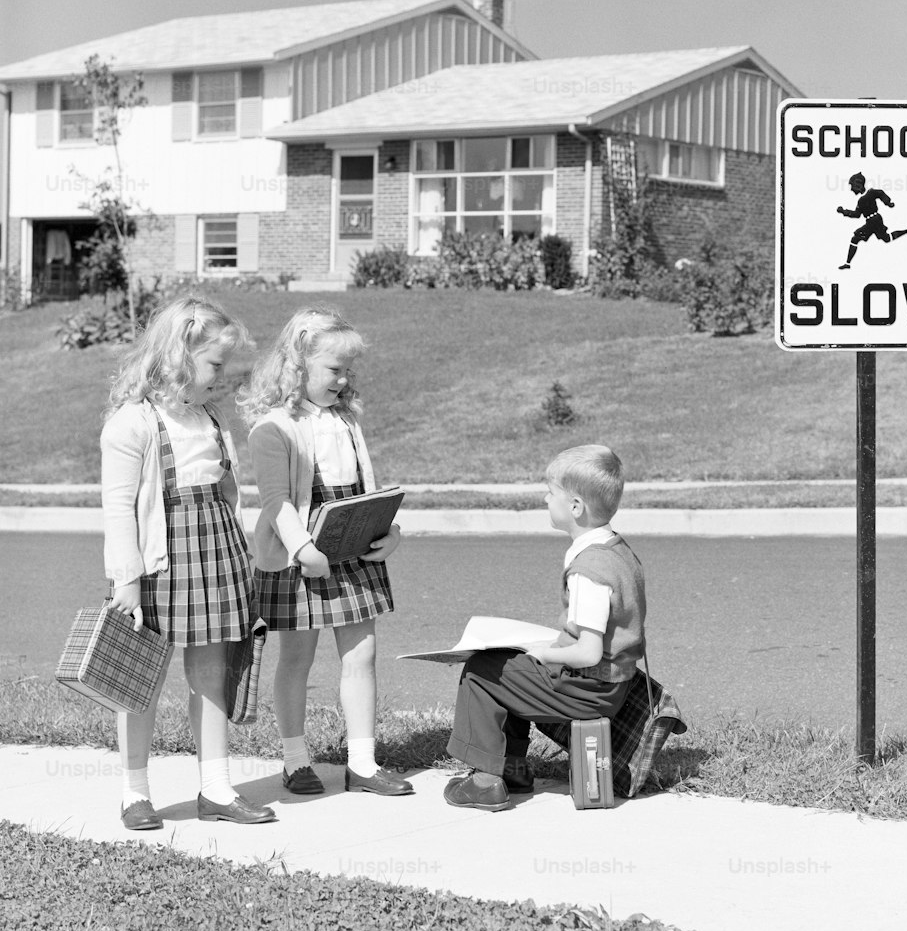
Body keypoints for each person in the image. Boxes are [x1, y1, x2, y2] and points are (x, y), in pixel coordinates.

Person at [102, 296, 276, 830]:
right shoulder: (131, 424)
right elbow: (119, 510)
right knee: (140, 677)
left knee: (211, 670)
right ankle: (135, 793)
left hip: (214, 548)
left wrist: (243, 554)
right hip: (158, 558)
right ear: (180, 355)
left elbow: (227, 494)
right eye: (215, 366)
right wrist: (126, 581)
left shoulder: (210, 418)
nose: (222, 378)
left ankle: (216, 789)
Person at [239, 308, 410, 798]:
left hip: (353, 548)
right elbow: (276, 503)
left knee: (363, 654)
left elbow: (366, 489)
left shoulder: (348, 421)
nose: (343, 379)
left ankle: (362, 763)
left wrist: (390, 532)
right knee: (297, 657)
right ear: (298, 365)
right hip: (302, 555)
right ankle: (296, 760)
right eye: (334, 369)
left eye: (347, 371)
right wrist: (303, 549)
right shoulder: (273, 428)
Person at [444, 444, 644, 812]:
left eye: (551, 493)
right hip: (610, 682)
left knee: (482, 672)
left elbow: (588, 651)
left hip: (589, 687)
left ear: (575, 507)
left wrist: (543, 653)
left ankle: (486, 781)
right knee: (510, 669)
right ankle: (514, 770)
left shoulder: (590, 569)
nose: (544, 498)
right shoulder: (616, 550)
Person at [837, 171, 907, 269]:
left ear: (858, 185)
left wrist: (887, 202)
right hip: (872, 221)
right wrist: (843, 212)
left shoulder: (870, 193)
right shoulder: (861, 200)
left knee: (857, 238)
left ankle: (848, 264)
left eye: (852, 186)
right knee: (885, 238)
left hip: (874, 221)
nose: (851, 189)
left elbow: (880, 193)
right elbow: (857, 214)